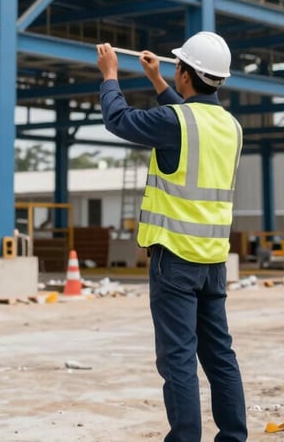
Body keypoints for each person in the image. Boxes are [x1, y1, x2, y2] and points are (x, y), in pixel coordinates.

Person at [96, 32, 247, 442]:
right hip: (213, 261)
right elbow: (189, 120)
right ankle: (234, 437)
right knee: (219, 356)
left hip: (175, 260)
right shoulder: (231, 127)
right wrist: (158, 82)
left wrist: (110, 76)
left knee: (178, 359)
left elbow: (119, 119)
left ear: (185, 73)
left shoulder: (174, 122)